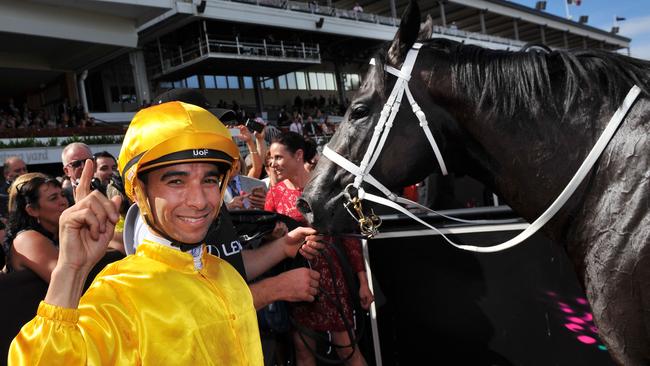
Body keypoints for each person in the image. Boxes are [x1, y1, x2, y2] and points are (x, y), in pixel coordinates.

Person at [9, 102, 271, 364]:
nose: (200, 201)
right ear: (139, 190)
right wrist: (70, 269)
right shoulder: (116, 294)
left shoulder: (228, 276)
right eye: (176, 181)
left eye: (209, 180)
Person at [265, 132, 374, 366]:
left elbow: (349, 240)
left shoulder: (327, 189)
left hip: (331, 282)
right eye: (270, 158)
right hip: (296, 282)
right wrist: (275, 236)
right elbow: (267, 242)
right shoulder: (274, 193)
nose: (273, 163)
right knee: (303, 352)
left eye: (278, 157)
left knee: (347, 349)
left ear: (298, 155)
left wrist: (363, 282)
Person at [2, 173, 68, 281]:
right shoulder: (26, 239)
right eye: (53, 198)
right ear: (32, 210)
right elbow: (66, 281)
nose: (63, 202)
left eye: (63, 195)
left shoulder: (59, 233)